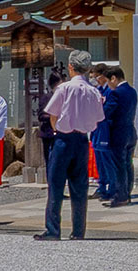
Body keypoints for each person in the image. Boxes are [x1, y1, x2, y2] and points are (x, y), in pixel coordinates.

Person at [36, 50, 104, 241]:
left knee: (56, 185)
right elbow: (98, 118)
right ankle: (78, 230)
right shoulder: (93, 91)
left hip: (64, 139)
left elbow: (53, 113)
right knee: (80, 187)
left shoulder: (64, 88)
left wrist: (56, 130)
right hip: (82, 139)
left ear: (71, 67)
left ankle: (53, 229)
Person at [104, 66, 138, 206]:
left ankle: (120, 196)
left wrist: (102, 105)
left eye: (108, 81)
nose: (108, 85)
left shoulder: (115, 93)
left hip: (118, 132)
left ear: (114, 78)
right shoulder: (132, 91)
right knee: (128, 164)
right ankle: (127, 193)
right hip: (130, 130)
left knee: (119, 165)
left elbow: (107, 112)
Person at [88, 64, 115, 201]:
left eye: (96, 76)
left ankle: (112, 188)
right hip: (96, 130)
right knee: (99, 161)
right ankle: (102, 187)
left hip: (105, 130)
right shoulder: (97, 90)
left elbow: (107, 111)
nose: (95, 79)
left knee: (107, 160)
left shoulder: (110, 91)